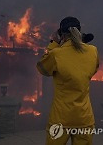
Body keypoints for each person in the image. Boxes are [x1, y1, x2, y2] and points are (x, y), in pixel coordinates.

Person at [36, 16, 99, 145]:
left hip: (61, 119)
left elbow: (43, 69)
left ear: (62, 35)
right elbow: (92, 70)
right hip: (84, 119)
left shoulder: (56, 54)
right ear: (80, 31)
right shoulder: (93, 51)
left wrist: (53, 43)